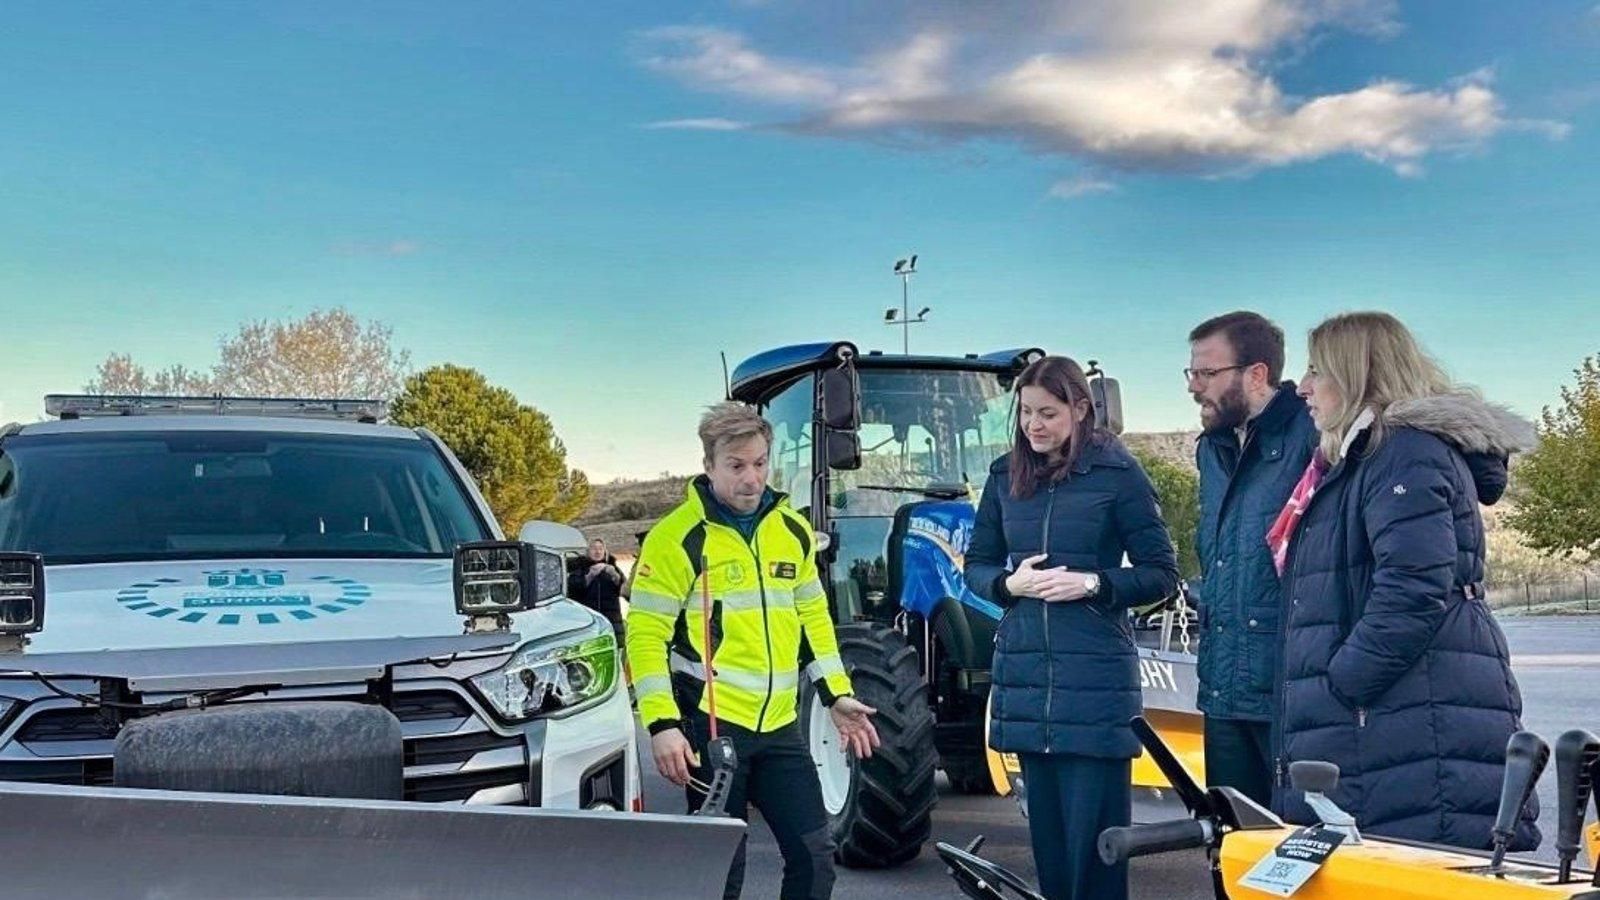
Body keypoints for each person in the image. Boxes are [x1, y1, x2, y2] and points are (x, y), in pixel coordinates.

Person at [1273, 311, 1540, 850]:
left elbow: (1415, 588)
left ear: (1357, 374)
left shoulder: (1401, 454)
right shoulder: (1361, 458)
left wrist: (1345, 682)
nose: (1303, 387)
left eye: (1317, 370)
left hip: (1408, 715)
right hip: (1393, 714)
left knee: (1414, 862)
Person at [625, 401, 881, 900]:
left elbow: (814, 621)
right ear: (709, 465)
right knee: (720, 875)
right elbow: (645, 635)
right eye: (736, 466)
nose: (751, 478)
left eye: (760, 463)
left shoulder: (792, 532)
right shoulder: (676, 539)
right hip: (711, 731)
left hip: (780, 731)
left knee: (815, 861)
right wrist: (662, 725)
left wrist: (836, 695)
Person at [964, 356, 1179, 900]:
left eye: (1049, 413)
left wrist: (1093, 585)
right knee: (1052, 860)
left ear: (1081, 410)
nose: (1034, 425)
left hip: (1096, 687)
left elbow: (1161, 573)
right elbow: (977, 566)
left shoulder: (1119, 474)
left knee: (1098, 860)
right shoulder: (1001, 477)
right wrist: (1008, 585)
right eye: (1026, 413)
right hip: (1028, 684)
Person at [1187, 312, 1317, 807]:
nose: (1194, 387)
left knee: (1297, 854)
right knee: (1233, 847)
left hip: (1289, 695)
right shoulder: (1212, 449)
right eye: (1191, 373)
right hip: (1223, 692)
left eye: (1207, 373)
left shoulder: (1312, 434)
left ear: (1257, 374)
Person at [567, 537, 625, 637]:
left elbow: (625, 590)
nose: (597, 552)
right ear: (588, 551)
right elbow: (572, 591)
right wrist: (590, 576)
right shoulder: (578, 568)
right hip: (588, 620)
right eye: (594, 548)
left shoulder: (612, 567)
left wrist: (615, 576)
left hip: (612, 620)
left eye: (601, 548)